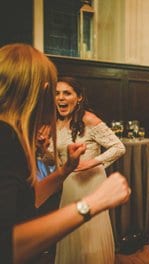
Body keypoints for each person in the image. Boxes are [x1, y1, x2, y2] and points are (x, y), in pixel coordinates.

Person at [0, 43, 130, 264]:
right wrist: (92, 203)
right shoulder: (6, 138)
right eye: (52, 91)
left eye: (64, 93)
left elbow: (30, 199)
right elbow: (7, 246)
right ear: (34, 91)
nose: (56, 98)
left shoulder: (12, 136)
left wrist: (66, 168)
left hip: (82, 180)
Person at [53, 77, 126, 264]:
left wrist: (91, 163)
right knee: (70, 232)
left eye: (67, 93)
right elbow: (55, 159)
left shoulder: (89, 119)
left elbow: (118, 147)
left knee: (90, 237)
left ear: (79, 97)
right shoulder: (55, 122)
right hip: (69, 186)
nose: (61, 98)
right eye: (57, 93)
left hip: (91, 184)